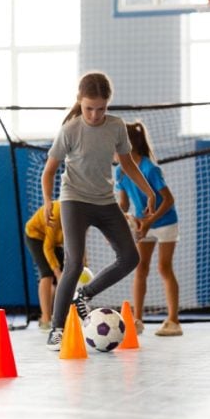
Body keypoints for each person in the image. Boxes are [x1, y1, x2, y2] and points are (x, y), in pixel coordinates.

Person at [41, 72, 156, 350]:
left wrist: (148, 191)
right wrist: (47, 201)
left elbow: (127, 165)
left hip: (104, 201)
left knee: (130, 257)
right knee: (74, 262)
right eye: (88, 108)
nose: (94, 114)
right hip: (74, 200)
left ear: (108, 104)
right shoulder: (70, 130)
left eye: (101, 108)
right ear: (80, 102)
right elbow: (49, 171)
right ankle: (56, 328)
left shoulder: (116, 127)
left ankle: (84, 294)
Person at [115, 122, 182, 337]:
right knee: (140, 268)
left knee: (164, 268)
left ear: (127, 144)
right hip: (143, 224)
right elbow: (124, 205)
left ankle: (173, 321)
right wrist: (118, 218)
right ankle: (137, 320)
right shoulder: (120, 171)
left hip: (165, 222)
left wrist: (149, 221)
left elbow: (168, 200)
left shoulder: (150, 169)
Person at [25, 201, 65, 331]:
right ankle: (46, 319)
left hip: (55, 240)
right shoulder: (56, 213)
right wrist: (57, 272)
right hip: (36, 236)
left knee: (65, 276)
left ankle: (55, 314)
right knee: (47, 274)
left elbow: (79, 247)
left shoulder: (81, 218)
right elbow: (48, 247)